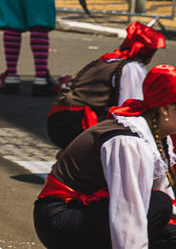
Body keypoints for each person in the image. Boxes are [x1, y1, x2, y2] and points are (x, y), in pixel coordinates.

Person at [34, 64, 176, 248]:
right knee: (158, 205)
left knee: (167, 222)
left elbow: (163, 192)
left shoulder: (158, 134)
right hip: (60, 217)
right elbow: (127, 213)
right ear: (165, 109)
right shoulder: (129, 141)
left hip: (91, 211)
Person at [47, 20, 165, 149]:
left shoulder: (110, 59)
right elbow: (130, 106)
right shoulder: (131, 67)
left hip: (59, 118)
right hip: (76, 121)